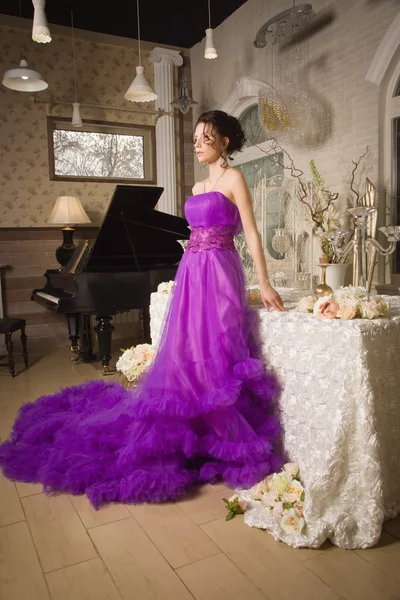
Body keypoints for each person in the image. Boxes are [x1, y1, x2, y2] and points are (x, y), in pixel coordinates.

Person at [0, 110, 284, 509]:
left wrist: (265, 282)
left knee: (217, 345)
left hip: (220, 269)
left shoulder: (234, 179)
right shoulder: (199, 183)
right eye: (196, 139)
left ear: (224, 142)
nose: (198, 144)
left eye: (205, 138)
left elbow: (252, 232)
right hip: (192, 271)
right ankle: (195, 428)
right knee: (188, 348)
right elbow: (193, 233)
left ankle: (222, 431)